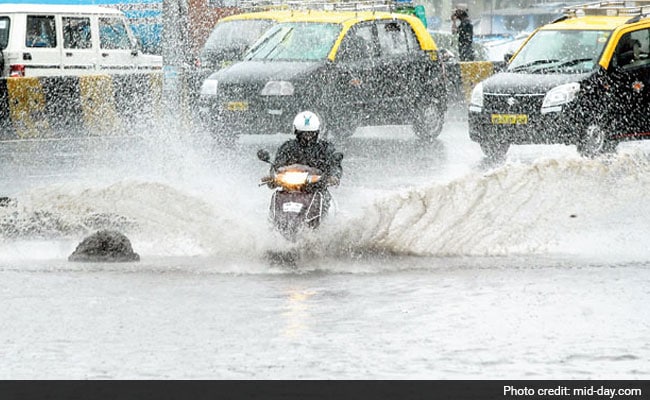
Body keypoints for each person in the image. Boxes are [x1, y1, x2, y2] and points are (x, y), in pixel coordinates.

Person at [271, 111, 343, 212]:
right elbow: (277, 166)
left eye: (311, 133)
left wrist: (333, 176)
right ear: (297, 132)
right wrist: (273, 176)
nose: (308, 136)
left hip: (316, 188)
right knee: (277, 196)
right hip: (289, 189)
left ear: (317, 132)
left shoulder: (325, 148)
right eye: (303, 133)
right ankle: (274, 221)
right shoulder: (287, 148)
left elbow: (334, 165)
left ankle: (322, 221)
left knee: (323, 201)